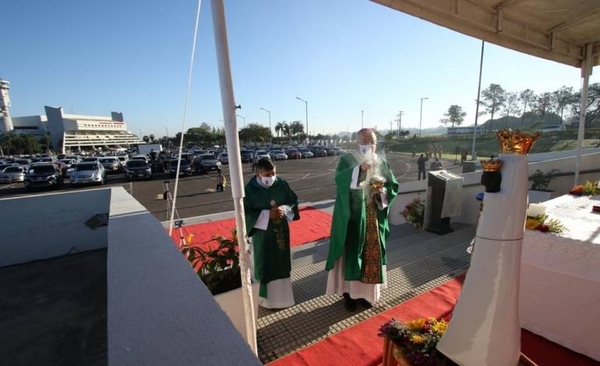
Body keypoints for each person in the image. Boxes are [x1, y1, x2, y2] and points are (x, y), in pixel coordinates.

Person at [325, 128, 399, 311]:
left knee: (370, 256)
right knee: (351, 254)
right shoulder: (347, 160)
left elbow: (392, 186)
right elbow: (340, 180)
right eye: (363, 140)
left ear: (376, 143)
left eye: (371, 141)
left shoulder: (381, 161)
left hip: (374, 216)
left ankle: (367, 295)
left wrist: (382, 193)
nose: (368, 144)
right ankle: (348, 295)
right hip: (353, 217)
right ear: (356, 143)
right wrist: (359, 170)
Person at [244, 157, 300, 309]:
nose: (271, 177)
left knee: (281, 261)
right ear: (258, 174)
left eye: (273, 173)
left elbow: (293, 201)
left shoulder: (281, 184)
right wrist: (267, 215)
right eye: (267, 175)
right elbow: (246, 213)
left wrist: (285, 209)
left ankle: (284, 298)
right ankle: (266, 300)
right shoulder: (249, 189)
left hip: (280, 231)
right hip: (262, 236)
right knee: (265, 263)